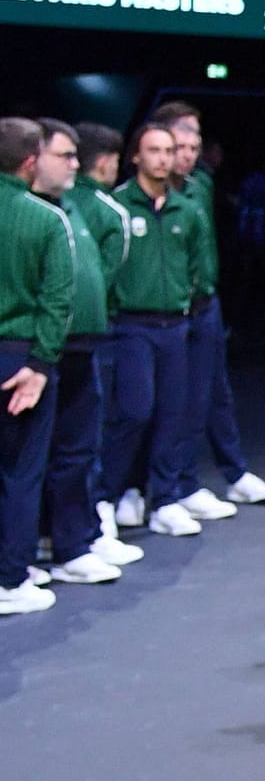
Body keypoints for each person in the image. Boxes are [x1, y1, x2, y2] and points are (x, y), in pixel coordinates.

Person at [149, 97, 265, 512]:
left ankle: (232, 472)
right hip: (170, 311)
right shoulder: (153, 194)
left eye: (193, 144)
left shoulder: (201, 185)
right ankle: (171, 486)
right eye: (179, 144)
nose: (188, 153)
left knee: (215, 392)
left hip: (207, 301)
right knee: (175, 400)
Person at [29, 119, 137, 585]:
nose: (79, 165)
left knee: (76, 450)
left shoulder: (71, 205)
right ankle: (43, 546)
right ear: (31, 159)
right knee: (40, 457)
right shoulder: (29, 212)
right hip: (43, 349)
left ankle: (72, 540)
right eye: (65, 156)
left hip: (81, 346)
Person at [98, 118, 215, 537]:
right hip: (132, 325)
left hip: (176, 325)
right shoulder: (118, 206)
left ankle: (163, 499)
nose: (164, 159)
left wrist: (191, 300)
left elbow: (199, 267)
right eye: (155, 150)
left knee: (172, 413)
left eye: (169, 151)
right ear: (135, 157)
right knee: (134, 410)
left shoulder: (188, 208)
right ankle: (106, 496)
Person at [0, 116, 71, 617]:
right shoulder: (47, 220)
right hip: (19, 356)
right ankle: (10, 579)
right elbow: (57, 300)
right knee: (20, 473)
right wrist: (41, 364)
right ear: (30, 162)